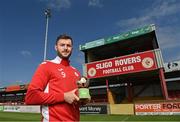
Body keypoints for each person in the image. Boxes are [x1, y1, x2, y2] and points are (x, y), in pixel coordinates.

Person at [25, 34, 82, 121]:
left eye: (68, 45)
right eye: (62, 45)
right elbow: (31, 97)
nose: (66, 48)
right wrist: (63, 97)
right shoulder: (46, 65)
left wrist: (82, 100)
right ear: (56, 47)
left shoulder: (76, 72)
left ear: (72, 49)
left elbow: (73, 98)